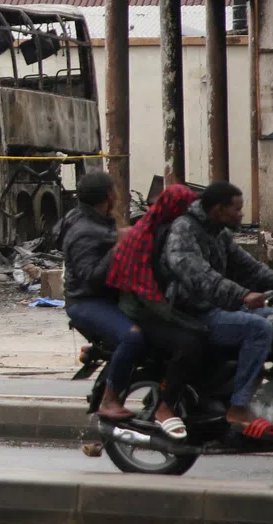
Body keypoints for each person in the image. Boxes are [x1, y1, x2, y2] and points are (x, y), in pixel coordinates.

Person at [160, 180, 273, 435]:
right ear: (218, 210)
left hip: (218, 307)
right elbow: (197, 274)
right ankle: (238, 406)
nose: (241, 214)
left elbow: (252, 268)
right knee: (258, 328)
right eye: (237, 209)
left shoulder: (219, 233)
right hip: (192, 312)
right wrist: (242, 294)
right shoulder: (184, 230)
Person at [108, 184, 207, 441]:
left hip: (154, 306)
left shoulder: (169, 231)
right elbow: (145, 292)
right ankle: (165, 407)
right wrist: (177, 317)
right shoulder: (147, 236)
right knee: (191, 342)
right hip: (139, 311)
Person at [63, 171, 142, 421]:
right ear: (110, 195)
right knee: (132, 338)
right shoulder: (83, 229)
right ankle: (109, 400)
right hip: (86, 302)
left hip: (103, 298)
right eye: (115, 190)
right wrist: (118, 249)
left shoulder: (97, 219)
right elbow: (91, 277)